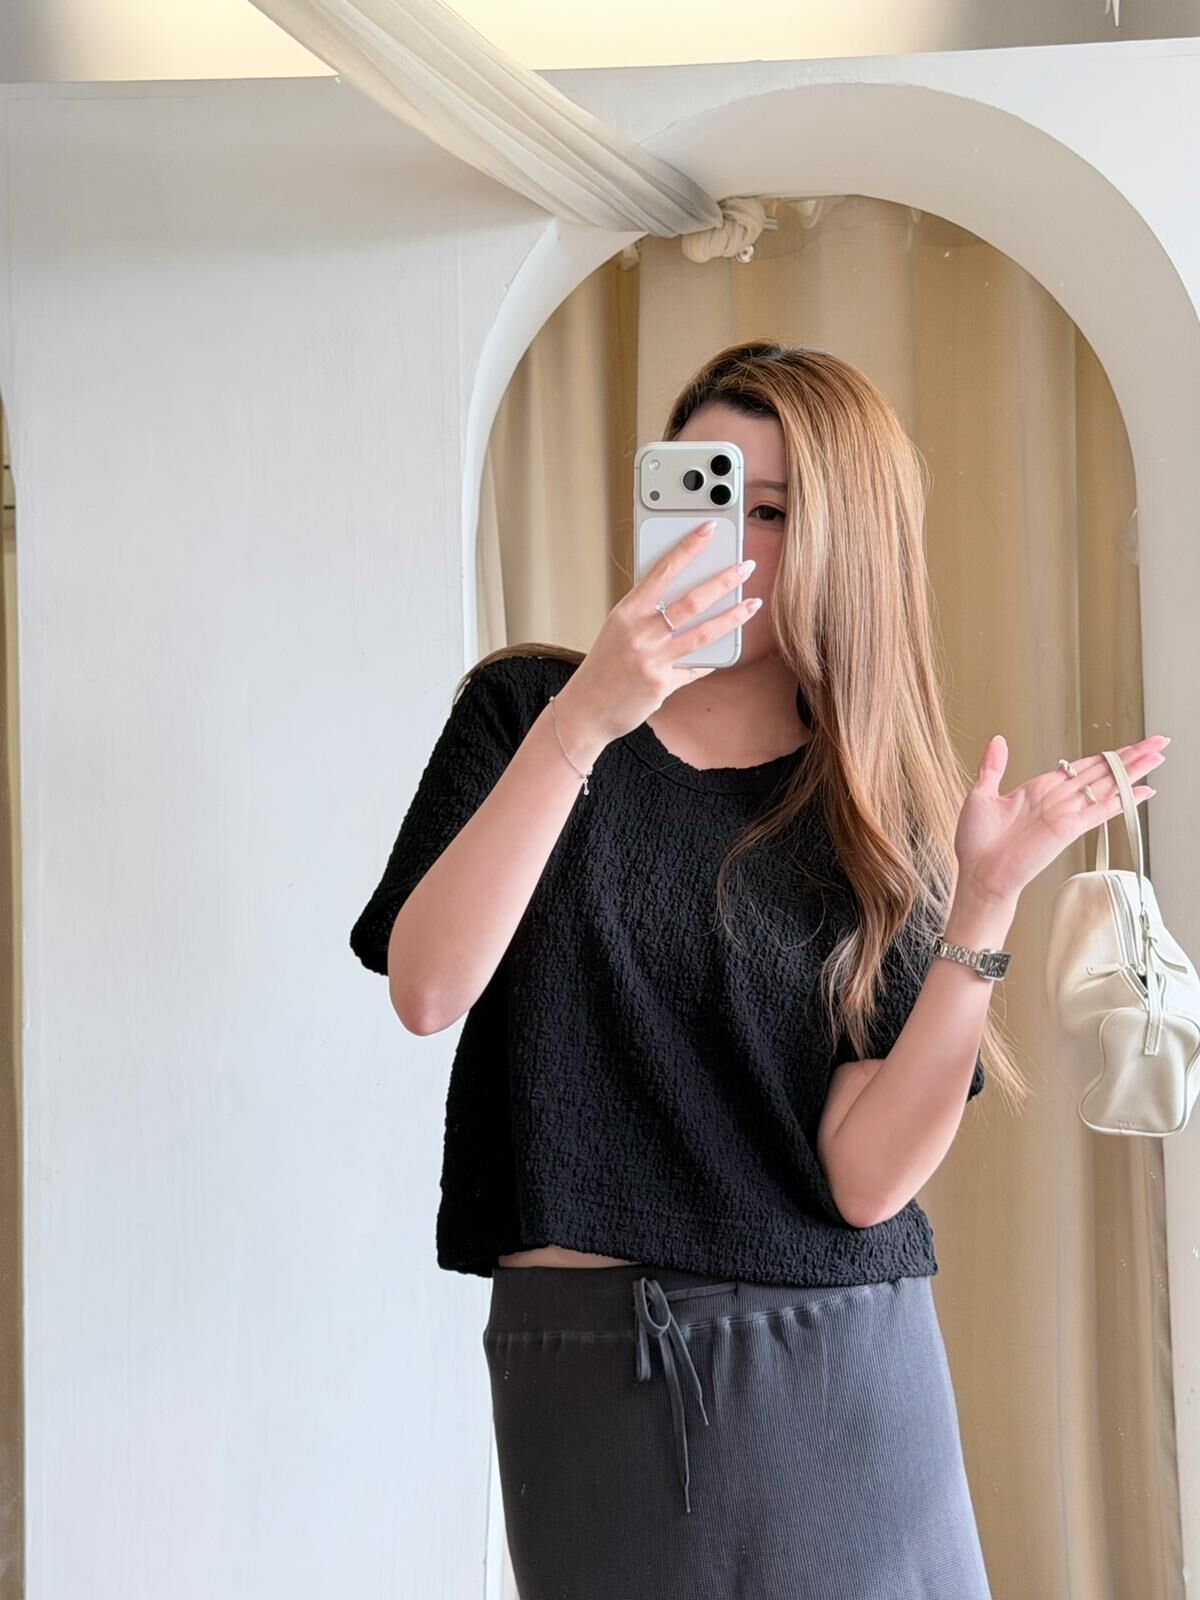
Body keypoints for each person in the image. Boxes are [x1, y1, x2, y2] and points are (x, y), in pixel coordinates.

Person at [349, 341, 1168, 1599]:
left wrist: (987, 898)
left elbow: (865, 1178)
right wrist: (591, 715)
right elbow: (428, 986)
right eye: (701, 486)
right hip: (593, 1368)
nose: (726, 534)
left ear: (849, 541)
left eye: (771, 509)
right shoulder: (526, 713)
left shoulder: (874, 808)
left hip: (841, 1367)